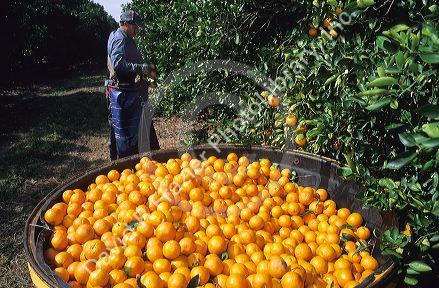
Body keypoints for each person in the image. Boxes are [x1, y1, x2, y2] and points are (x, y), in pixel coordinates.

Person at [106, 10, 160, 160]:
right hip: (123, 95)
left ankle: (132, 161)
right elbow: (118, 65)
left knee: (127, 132)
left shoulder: (124, 37)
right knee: (127, 137)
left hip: (127, 92)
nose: (136, 30)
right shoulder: (120, 39)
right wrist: (140, 67)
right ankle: (128, 165)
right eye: (135, 26)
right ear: (125, 23)